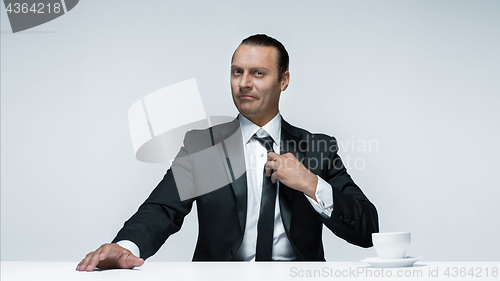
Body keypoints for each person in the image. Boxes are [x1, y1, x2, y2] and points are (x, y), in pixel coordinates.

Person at [76, 34, 379, 271]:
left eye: (258, 73)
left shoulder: (316, 149)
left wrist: (311, 184)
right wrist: (127, 247)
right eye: (237, 72)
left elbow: (367, 229)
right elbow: (162, 208)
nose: (244, 83)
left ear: (283, 80)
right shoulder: (203, 147)